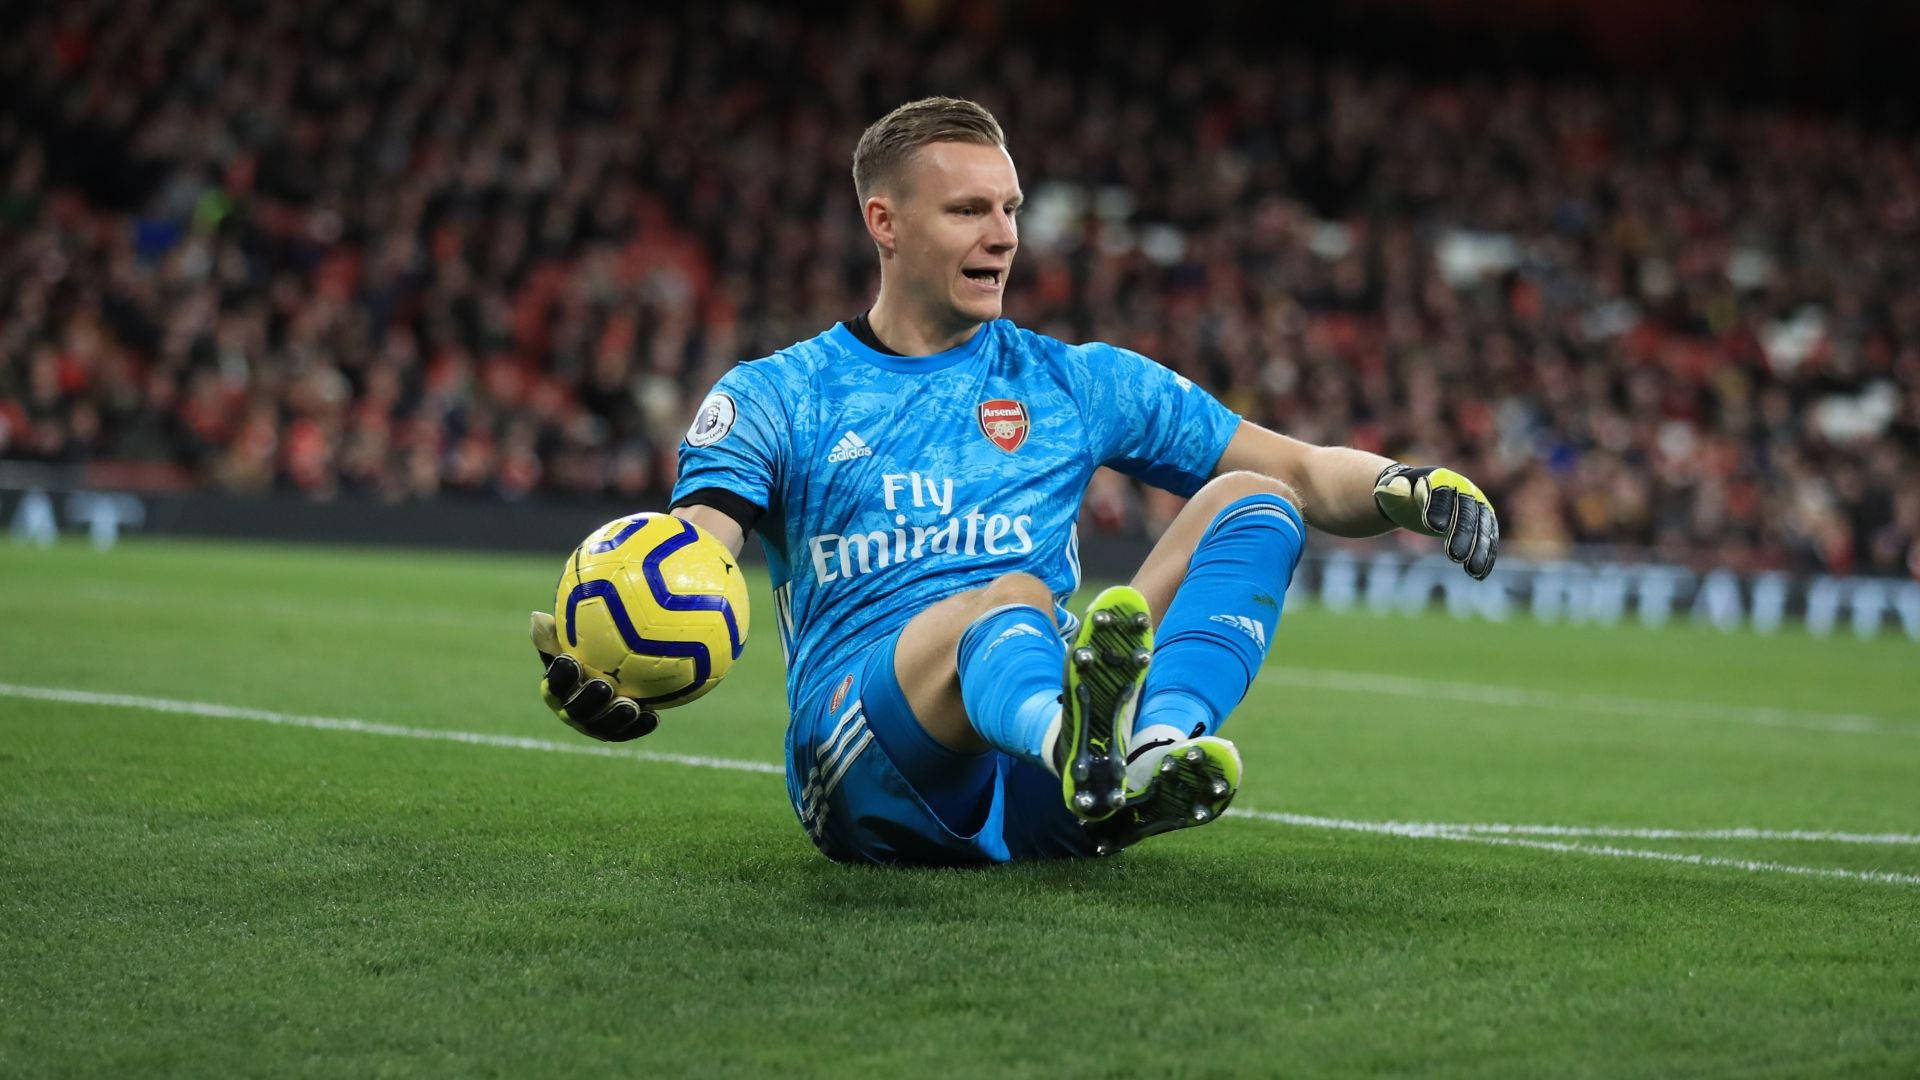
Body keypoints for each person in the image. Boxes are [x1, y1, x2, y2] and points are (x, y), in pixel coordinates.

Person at [528, 97, 1498, 866]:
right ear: (886, 223)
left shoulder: (1073, 382)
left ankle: (1146, 750)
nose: (1003, 235)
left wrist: (1412, 488)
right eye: (968, 210)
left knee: (1257, 501)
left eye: (1010, 209)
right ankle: (1077, 742)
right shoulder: (780, 395)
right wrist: (621, 649)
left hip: (1037, 756)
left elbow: (1301, 467)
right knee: (1012, 597)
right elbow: (701, 537)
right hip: (868, 765)